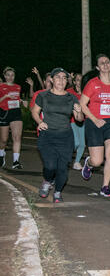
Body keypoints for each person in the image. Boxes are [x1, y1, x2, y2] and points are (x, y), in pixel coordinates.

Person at [30, 68, 84, 202]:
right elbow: (34, 112)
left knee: (62, 168)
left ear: (67, 81)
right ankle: (47, 181)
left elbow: (79, 119)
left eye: (64, 78)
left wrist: (79, 111)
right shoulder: (43, 95)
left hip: (65, 136)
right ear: (52, 80)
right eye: (58, 77)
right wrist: (40, 121)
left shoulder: (71, 97)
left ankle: (58, 192)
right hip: (47, 135)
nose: (61, 80)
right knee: (50, 166)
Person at [80, 54, 110, 197]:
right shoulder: (93, 84)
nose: (105, 64)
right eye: (102, 63)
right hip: (94, 123)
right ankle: (89, 163)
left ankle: (105, 186)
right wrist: (94, 119)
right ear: (98, 68)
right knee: (97, 161)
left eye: (107, 62)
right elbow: (82, 104)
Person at [0, 67, 24, 169]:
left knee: (17, 137)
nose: (10, 77)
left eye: (12, 75)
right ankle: (1, 154)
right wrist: (5, 97)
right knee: (4, 140)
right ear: (5, 76)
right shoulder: (1, 86)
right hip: (4, 113)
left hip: (15, 112)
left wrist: (21, 101)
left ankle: (16, 161)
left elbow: (17, 99)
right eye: (8, 75)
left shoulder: (18, 87)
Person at [67, 73, 86, 170]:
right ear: (74, 82)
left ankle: (77, 162)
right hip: (72, 120)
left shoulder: (85, 92)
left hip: (83, 121)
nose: (79, 82)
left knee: (82, 144)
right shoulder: (70, 92)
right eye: (78, 80)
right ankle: (65, 155)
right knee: (77, 143)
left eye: (81, 80)